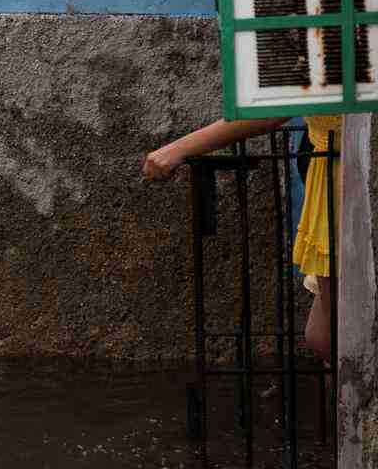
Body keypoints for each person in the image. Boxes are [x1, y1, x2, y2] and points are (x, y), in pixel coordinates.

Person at [143, 114, 341, 361]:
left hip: (341, 179)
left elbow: (272, 108)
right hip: (327, 174)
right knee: (323, 334)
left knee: (335, 333)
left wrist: (179, 148)